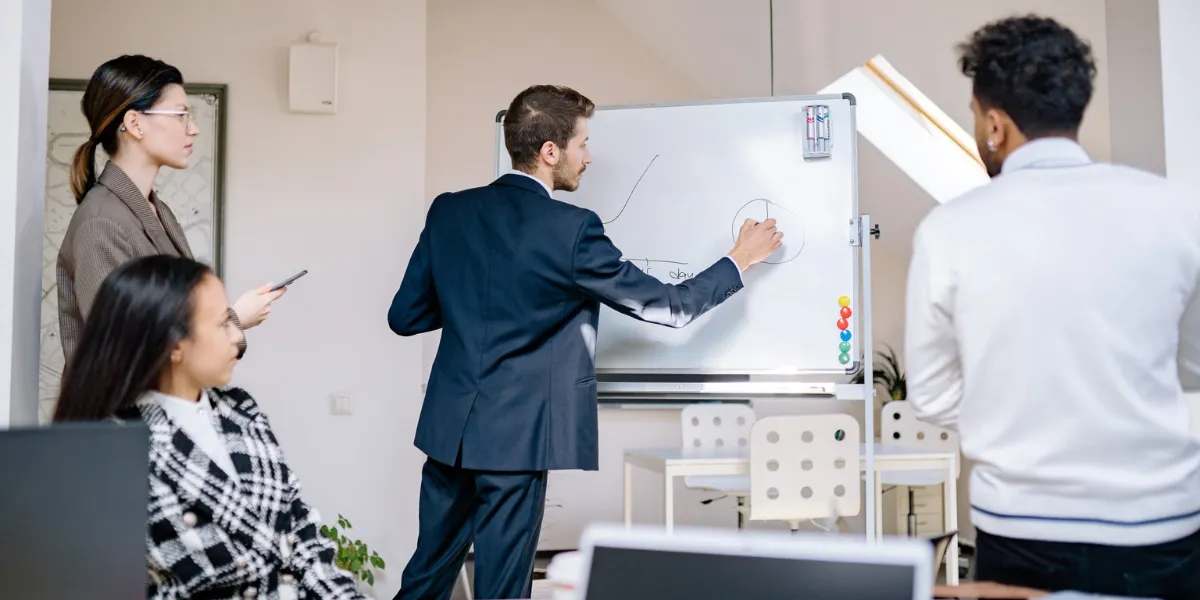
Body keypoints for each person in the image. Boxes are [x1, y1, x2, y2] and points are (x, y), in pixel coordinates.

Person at [388, 84, 783, 599]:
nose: (589, 156)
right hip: (515, 441)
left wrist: (474, 298)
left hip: (450, 435)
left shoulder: (449, 211)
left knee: (425, 580)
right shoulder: (570, 230)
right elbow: (670, 307)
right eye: (582, 143)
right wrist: (740, 260)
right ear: (549, 152)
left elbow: (405, 316)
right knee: (502, 590)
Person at [905, 15, 1200, 598]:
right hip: (1162, 526)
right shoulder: (1174, 209)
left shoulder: (951, 230)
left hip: (1021, 528)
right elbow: (1192, 364)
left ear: (996, 122)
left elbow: (932, 394)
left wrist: (1019, 411)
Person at [53, 255, 365, 600]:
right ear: (174, 346)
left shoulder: (241, 410)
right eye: (223, 323)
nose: (238, 336)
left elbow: (302, 528)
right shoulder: (117, 450)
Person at [57, 54, 283, 364]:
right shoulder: (100, 223)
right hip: (126, 412)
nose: (193, 129)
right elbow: (125, 350)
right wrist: (234, 321)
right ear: (135, 123)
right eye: (180, 115)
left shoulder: (154, 208)